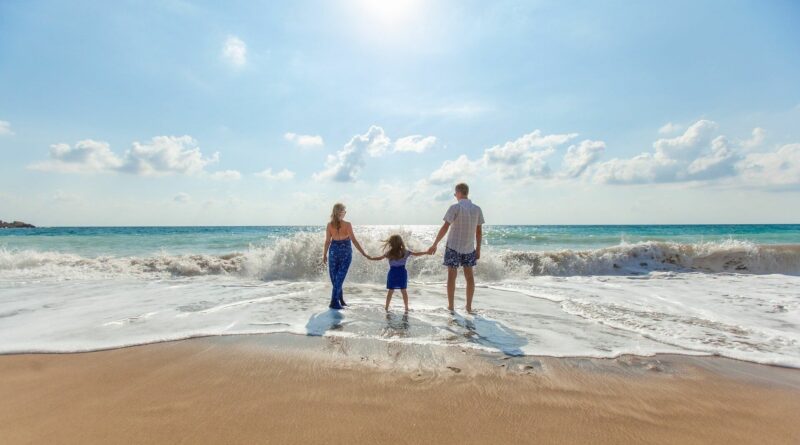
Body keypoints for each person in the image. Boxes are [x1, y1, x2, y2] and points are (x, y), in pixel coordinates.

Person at [427, 183, 485, 313]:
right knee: (469, 278)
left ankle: (451, 307)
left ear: (459, 193)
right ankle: (468, 307)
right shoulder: (477, 209)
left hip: (453, 247)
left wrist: (435, 243)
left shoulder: (455, 207)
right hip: (469, 248)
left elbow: (445, 227)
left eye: (455, 193)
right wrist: (479, 249)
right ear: (467, 192)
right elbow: (479, 232)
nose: (455, 196)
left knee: (451, 277)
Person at [323, 203, 369, 309]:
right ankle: (335, 301)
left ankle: (338, 300)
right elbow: (353, 240)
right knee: (337, 279)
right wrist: (364, 253)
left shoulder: (331, 225)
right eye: (344, 211)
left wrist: (324, 254)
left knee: (337, 278)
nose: (345, 213)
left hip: (335, 252)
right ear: (340, 212)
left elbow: (327, 242)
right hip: (342, 252)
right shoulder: (344, 224)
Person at [368, 234, 429, 312]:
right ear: (401, 242)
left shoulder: (389, 253)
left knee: (390, 291)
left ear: (391, 243)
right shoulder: (405, 252)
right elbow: (417, 254)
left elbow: (379, 258)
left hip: (392, 273)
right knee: (404, 291)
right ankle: (406, 308)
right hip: (402, 273)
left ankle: (386, 307)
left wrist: (370, 258)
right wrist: (426, 252)